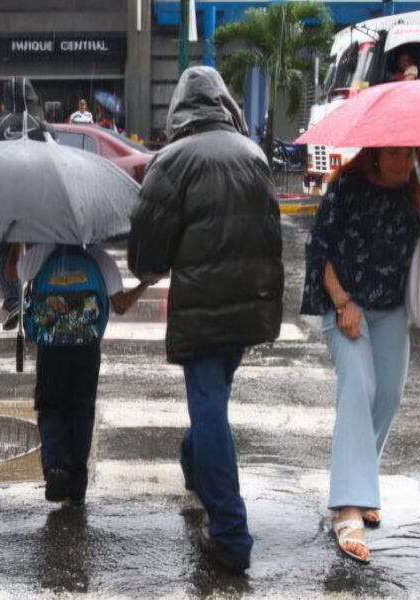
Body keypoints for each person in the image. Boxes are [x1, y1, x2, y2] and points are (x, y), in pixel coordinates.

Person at [128, 65, 284, 573]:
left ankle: (231, 536)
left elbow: (146, 251)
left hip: (202, 309)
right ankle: (195, 462)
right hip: (251, 305)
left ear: (179, 108)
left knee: (211, 411)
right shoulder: (253, 154)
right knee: (213, 400)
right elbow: (271, 234)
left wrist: (148, 272)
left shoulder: (172, 161)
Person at [300, 147, 420, 563]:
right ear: (377, 155)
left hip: (390, 309)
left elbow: (418, 246)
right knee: (359, 389)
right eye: (398, 154)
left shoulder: (413, 191)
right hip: (345, 303)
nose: (406, 162)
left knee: (387, 395)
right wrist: (342, 302)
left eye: (413, 154)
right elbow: (320, 249)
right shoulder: (347, 186)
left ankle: (362, 481)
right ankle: (348, 506)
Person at [14, 243, 149, 508]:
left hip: (50, 345)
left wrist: (18, 242)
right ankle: (76, 482)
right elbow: (120, 305)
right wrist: (145, 284)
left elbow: (13, 273)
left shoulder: (41, 254)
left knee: (51, 405)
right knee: (81, 409)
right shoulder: (99, 258)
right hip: (87, 346)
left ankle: (54, 467)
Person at [0, 77, 58, 330]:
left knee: (1, 253)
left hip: (4, 202)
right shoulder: (44, 128)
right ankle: (40, 298)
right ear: (32, 101)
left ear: (5, 103)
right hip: (40, 202)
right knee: (40, 254)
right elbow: (56, 163)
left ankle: (12, 300)